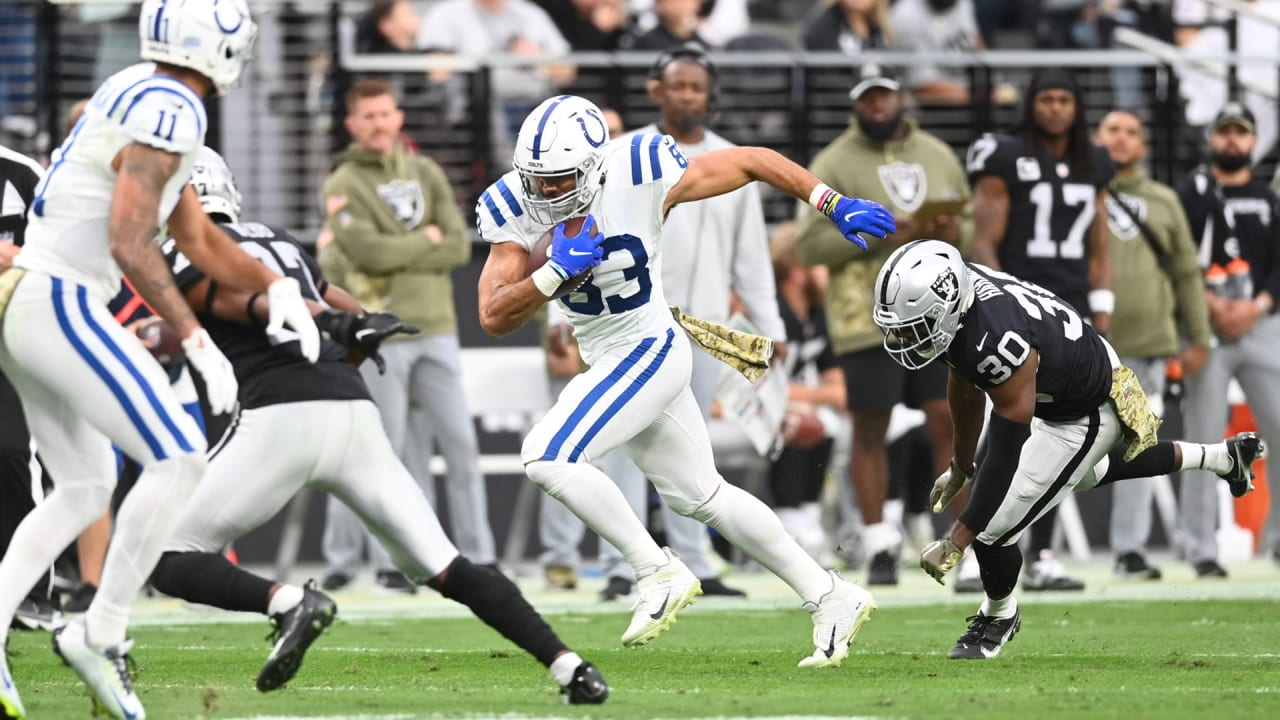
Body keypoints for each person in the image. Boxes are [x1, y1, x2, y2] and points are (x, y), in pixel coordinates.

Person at [147, 147, 608, 704]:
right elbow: (339, 308)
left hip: (279, 419)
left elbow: (236, 299)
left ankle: (287, 603)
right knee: (449, 568)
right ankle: (570, 668)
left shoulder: (184, 251)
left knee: (167, 555)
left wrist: (334, 322)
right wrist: (356, 326)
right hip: (354, 415)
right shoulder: (277, 240)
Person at [476, 93, 895, 666]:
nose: (547, 192)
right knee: (706, 496)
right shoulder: (513, 205)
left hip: (648, 345)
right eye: (538, 180)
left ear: (597, 164)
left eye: (561, 179)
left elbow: (749, 160)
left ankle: (656, 570)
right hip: (608, 355)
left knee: (547, 455)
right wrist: (552, 274)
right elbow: (493, 315)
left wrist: (830, 200)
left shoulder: (639, 170)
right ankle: (830, 594)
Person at [0, 3, 320, 718]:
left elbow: (199, 239)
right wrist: (198, 339)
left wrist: (272, 285)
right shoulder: (170, 104)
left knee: (84, 486)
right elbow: (128, 240)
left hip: (35, 297)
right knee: (179, 457)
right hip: (60, 295)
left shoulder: (142, 91)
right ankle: (100, 630)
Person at [874, 240, 1263, 660]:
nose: (902, 337)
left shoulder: (999, 339)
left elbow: (1006, 449)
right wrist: (961, 466)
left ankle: (999, 616)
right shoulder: (966, 302)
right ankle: (1224, 458)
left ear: (947, 305)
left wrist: (958, 538)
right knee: (1088, 472)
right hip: (1070, 371)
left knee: (994, 531)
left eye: (913, 325)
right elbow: (964, 387)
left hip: (1086, 409)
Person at [319, 78, 496, 593]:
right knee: (387, 452)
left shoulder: (426, 170)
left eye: (384, 113)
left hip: (438, 325)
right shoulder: (344, 180)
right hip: (381, 334)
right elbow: (366, 254)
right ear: (352, 123)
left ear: (399, 116)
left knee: (460, 445)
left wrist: (399, 245)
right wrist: (426, 239)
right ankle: (394, 561)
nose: (378, 123)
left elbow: (461, 245)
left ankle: (479, 555)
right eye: (367, 115)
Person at [796, 64, 968, 586]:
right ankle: (877, 543)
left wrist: (951, 228)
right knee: (870, 425)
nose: (876, 106)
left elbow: (973, 223)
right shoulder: (833, 160)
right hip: (867, 316)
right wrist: (880, 232)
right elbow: (809, 246)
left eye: (884, 97)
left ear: (901, 98)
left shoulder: (937, 154)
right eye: (866, 99)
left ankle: (958, 541)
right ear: (855, 104)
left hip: (938, 313)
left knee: (952, 420)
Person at [966, 67, 1115, 592]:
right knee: (1003, 425)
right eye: (1046, 99)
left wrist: (1102, 309)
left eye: (1063, 99)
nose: (1054, 108)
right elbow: (984, 237)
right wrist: (995, 299)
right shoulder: (1005, 155)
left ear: (1076, 106)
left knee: (1064, 427)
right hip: (1020, 307)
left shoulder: (1094, 160)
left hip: (1069, 313)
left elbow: (1099, 245)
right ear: (1031, 104)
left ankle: (1044, 551)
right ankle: (974, 544)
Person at [1096, 109, 1212, 580]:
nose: (1121, 140)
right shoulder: (1080, 191)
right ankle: (1031, 552)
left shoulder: (1163, 200)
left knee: (1139, 444)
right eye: (1112, 131)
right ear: (1096, 138)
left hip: (1146, 345)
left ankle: (1130, 550)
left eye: (1130, 132)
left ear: (1143, 145)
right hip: (1082, 346)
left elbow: (1186, 271)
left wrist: (1199, 335)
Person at [1176, 102, 1280, 574]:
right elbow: (1178, 256)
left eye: (1241, 133)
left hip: (1262, 323)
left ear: (1254, 141)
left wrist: (1256, 305)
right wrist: (1213, 306)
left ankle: (1276, 539)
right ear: (1212, 139)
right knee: (1202, 438)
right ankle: (1200, 547)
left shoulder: (1268, 197)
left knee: (1278, 428)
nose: (1232, 141)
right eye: (1225, 133)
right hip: (1208, 326)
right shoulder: (1193, 191)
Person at [0, 143, 57, 632]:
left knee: (13, 451)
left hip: (9, 337)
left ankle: (31, 592)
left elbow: (56, 249)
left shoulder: (21, 173)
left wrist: (18, 259)